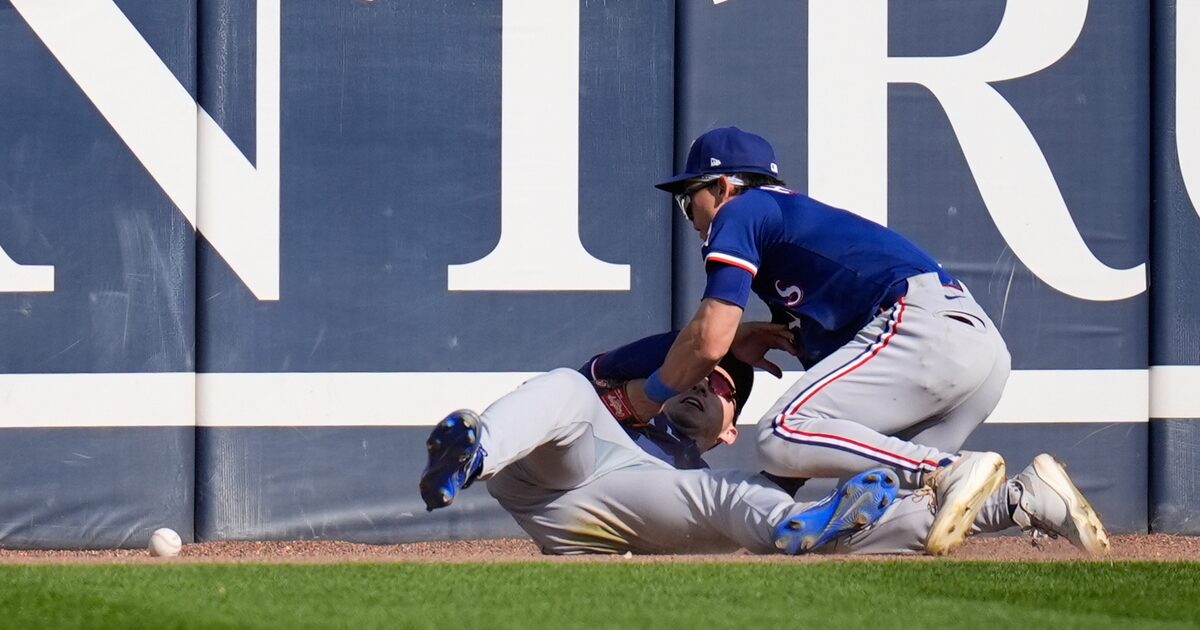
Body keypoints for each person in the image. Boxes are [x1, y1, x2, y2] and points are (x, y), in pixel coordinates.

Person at [624, 126, 1022, 555]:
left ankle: (947, 469)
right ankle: (1027, 500)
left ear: (722, 188)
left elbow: (708, 340)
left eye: (689, 201)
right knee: (861, 513)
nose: (692, 219)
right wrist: (755, 505)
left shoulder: (741, 211)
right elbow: (814, 439)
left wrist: (647, 398)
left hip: (924, 326)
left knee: (780, 431)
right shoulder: (790, 232)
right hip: (979, 353)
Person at [417, 331, 1110, 556]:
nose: (700, 387)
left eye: (719, 389)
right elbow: (663, 361)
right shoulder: (625, 397)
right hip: (551, 466)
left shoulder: (710, 462)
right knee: (566, 390)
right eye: (700, 376)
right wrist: (725, 341)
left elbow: (717, 482)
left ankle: (1019, 502)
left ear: (730, 430)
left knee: (750, 503)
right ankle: (474, 451)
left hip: (615, 517)